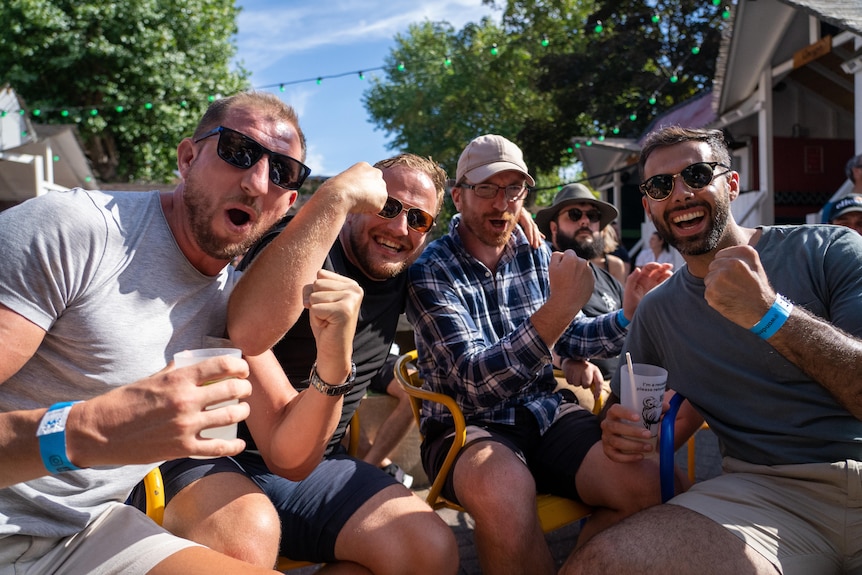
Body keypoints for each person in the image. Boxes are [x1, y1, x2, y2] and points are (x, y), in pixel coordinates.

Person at [0, 91, 363, 574]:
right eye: (238, 151)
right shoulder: (74, 230)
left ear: (288, 205)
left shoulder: (235, 305)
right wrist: (90, 430)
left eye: (282, 173)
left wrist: (335, 358)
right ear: (188, 157)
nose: (257, 182)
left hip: (88, 533)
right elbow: (96, 433)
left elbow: (288, 454)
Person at [561, 126, 862, 574]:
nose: (680, 193)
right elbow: (632, 423)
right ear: (649, 206)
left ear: (732, 184)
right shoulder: (658, 311)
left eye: (697, 175)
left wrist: (770, 314)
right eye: (662, 186)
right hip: (762, 495)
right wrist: (620, 431)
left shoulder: (829, 250)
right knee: (600, 564)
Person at [147, 153, 460, 574]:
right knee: (244, 541)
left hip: (312, 464)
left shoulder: (407, 273)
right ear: (358, 203)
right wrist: (333, 197)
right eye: (387, 207)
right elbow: (245, 328)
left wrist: (514, 226)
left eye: (419, 219)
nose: (399, 227)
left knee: (430, 549)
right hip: (210, 451)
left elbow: (474, 246)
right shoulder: (302, 244)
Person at [405, 134, 674, 575]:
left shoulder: (533, 253)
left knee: (651, 485)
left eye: (514, 189)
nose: (501, 203)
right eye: (487, 188)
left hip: (546, 413)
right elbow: (474, 384)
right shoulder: (430, 270)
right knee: (503, 487)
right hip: (466, 426)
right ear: (458, 196)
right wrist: (560, 307)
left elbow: (573, 338)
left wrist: (627, 316)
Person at [535, 183, 653, 384]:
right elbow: (532, 336)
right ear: (554, 228)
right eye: (574, 214)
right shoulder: (540, 273)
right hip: (577, 392)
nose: (585, 221)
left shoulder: (608, 279)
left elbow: (635, 334)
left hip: (625, 387)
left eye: (593, 216)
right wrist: (564, 360)